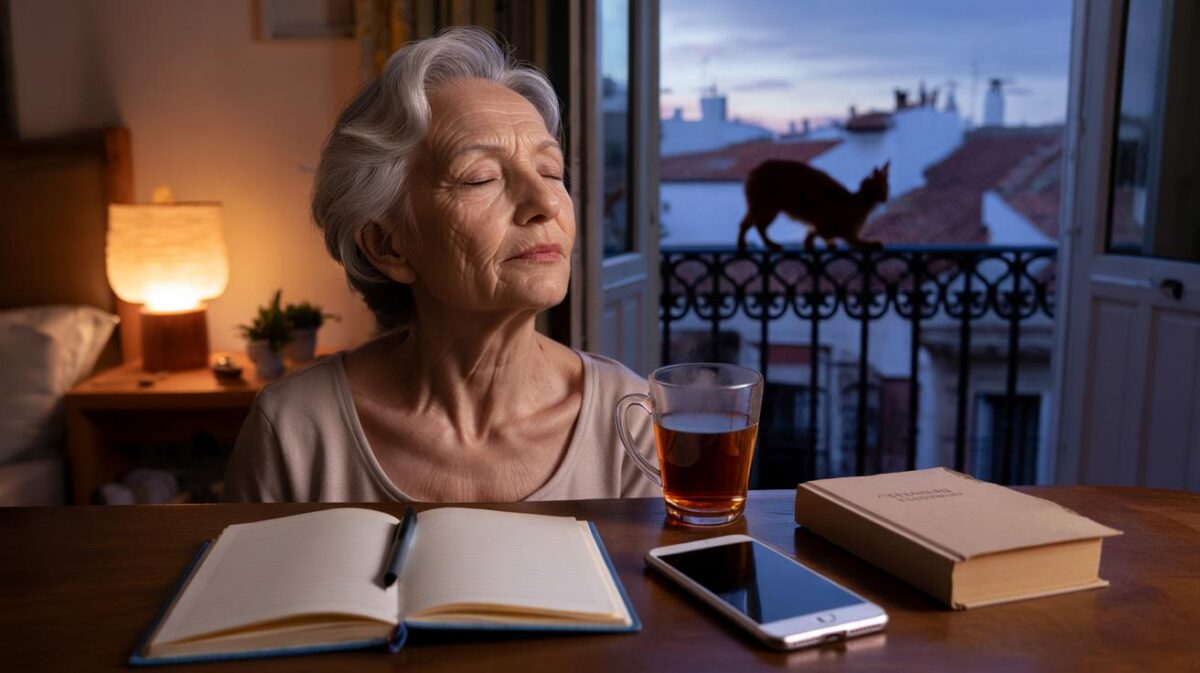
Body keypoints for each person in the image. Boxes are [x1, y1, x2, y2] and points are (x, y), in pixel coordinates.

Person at [224, 27, 659, 502]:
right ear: (387, 245)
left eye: (550, 171)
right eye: (480, 179)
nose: (544, 203)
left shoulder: (632, 420)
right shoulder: (294, 429)